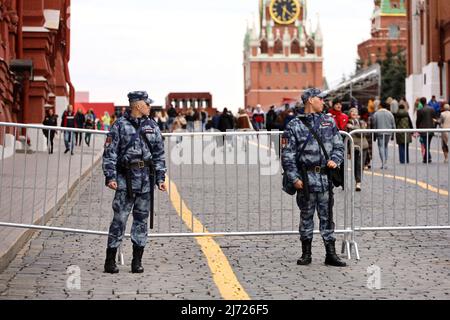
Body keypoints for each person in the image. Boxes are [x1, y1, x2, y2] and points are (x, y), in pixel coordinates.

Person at [102, 91, 167, 274]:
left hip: (146, 180)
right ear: (138, 105)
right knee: (119, 220)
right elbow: (110, 153)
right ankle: (110, 260)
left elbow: (159, 154)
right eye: (147, 104)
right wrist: (110, 177)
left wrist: (160, 178)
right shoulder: (119, 126)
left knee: (141, 221)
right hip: (125, 180)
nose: (149, 107)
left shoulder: (152, 126)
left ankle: (136, 261)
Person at [281, 88, 346, 267]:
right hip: (306, 180)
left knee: (327, 217)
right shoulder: (294, 125)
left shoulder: (329, 121)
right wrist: (294, 179)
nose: (323, 102)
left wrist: (335, 159)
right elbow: (287, 155)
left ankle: (330, 254)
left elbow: (339, 146)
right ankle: (306, 253)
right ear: (310, 100)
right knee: (306, 216)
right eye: (320, 99)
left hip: (325, 179)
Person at [346, 108, 369, 192]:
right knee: (355, 165)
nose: (354, 113)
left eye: (356, 111)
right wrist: (348, 151)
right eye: (352, 111)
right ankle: (357, 180)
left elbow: (362, 133)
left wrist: (353, 127)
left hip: (363, 146)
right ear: (350, 114)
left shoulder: (361, 122)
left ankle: (358, 182)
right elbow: (347, 137)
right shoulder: (347, 123)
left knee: (360, 164)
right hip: (354, 147)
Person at [372, 101, 396, 169]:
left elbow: (374, 124)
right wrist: (393, 135)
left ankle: (383, 162)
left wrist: (374, 135)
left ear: (380, 106)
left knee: (381, 147)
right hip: (388, 132)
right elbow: (393, 124)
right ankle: (385, 162)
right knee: (385, 146)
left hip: (379, 132)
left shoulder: (376, 114)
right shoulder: (390, 113)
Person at [417, 97, 438, 163]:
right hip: (431, 129)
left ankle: (428, 157)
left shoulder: (420, 111)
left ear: (421, 102)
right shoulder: (432, 109)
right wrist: (434, 128)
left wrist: (418, 129)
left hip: (423, 130)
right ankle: (426, 158)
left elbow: (418, 121)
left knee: (426, 144)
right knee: (427, 144)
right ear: (426, 101)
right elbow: (435, 119)